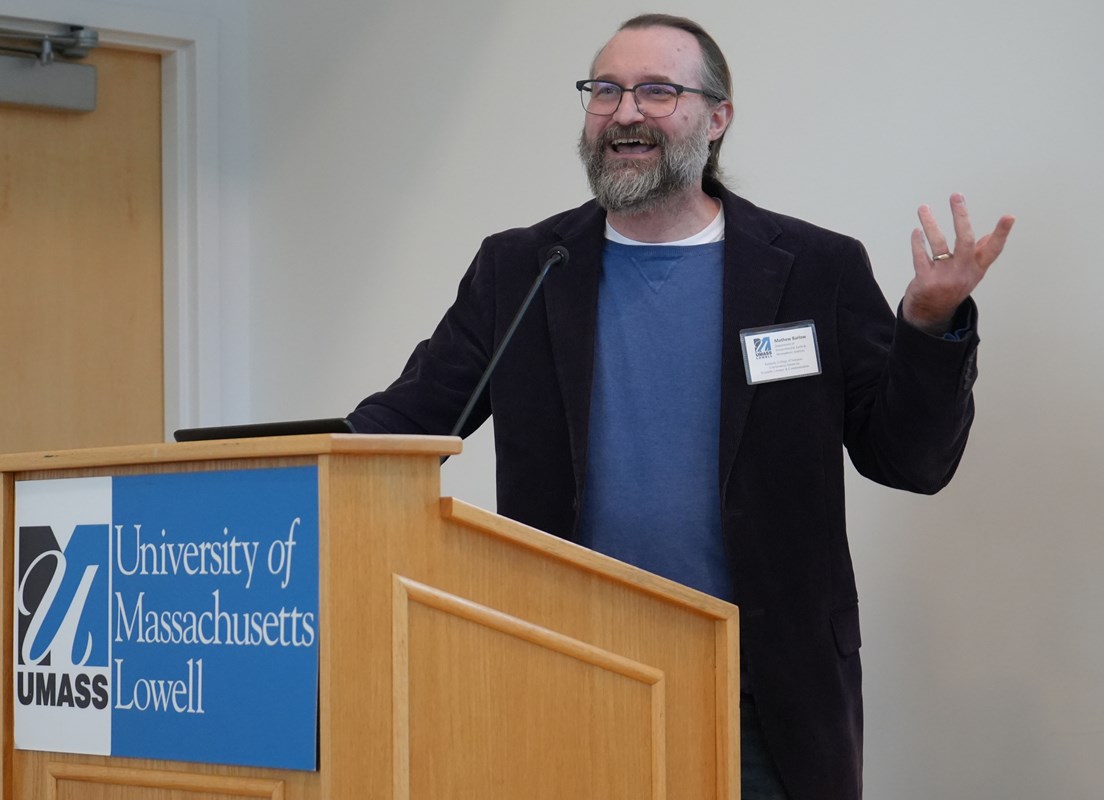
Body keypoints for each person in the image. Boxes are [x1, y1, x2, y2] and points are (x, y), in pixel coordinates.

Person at [348, 12, 1013, 800]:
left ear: (717, 117)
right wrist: (274, 472)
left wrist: (929, 328)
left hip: (762, 692)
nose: (626, 111)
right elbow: (405, 424)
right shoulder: (523, 267)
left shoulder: (813, 268)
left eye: (657, 90)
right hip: (565, 672)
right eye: (606, 90)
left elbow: (909, 460)